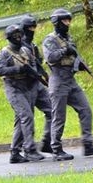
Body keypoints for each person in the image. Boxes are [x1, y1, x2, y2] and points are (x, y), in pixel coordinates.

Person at [41, 8, 93, 158]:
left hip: (71, 80)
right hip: (58, 81)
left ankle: (88, 144)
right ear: (57, 22)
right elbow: (51, 57)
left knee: (85, 110)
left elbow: (73, 56)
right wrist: (65, 50)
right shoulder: (50, 40)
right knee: (59, 116)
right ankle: (56, 149)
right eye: (65, 21)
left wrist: (79, 65)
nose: (68, 23)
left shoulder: (69, 38)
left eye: (69, 20)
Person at [0, 25, 45, 164]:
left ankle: (15, 152)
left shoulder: (26, 50)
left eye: (19, 34)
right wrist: (19, 69)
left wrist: (33, 74)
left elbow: (34, 66)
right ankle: (29, 150)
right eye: (15, 35)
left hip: (27, 87)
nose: (18, 37)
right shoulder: (5, 53)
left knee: (21, 120)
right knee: (27, 117)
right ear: (9, 38)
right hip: (13, 88)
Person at [19, 15, 67, 160]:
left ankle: (46, 142)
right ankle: (24, 150)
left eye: (34, 27)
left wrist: (45, 77)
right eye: (29, 28)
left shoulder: (32, 47)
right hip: (23, 87)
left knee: (51, 110)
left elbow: (38, 65)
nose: (32, 30)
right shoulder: (18, 47)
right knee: (25, 118)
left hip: (37, 84)